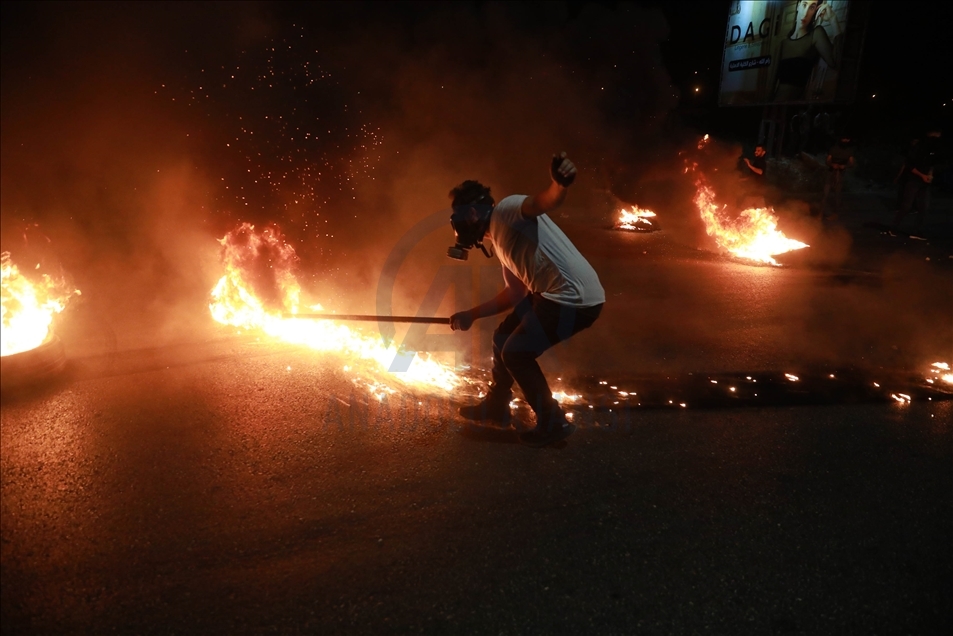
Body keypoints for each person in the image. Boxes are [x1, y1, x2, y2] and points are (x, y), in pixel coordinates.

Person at [446, 153, 605, 448]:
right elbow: (516, 294)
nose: (458, 223)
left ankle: (553, 422)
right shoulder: (501, 243)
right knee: (503, 336)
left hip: (572, 299)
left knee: (516, 353)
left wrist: (559, 184)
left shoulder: (507, 211)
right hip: (553, 294)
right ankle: (497, 405)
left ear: (472, 213)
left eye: (460, 213)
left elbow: (542, 202)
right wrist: (471, 314)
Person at [772, 0, 842, 103]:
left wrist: (833, 19)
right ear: (798, 5)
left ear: (816, 11)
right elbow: (771, 85)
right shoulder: (783, 44)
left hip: (795, 109)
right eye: (804, 5)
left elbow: (836, 62)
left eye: (812, 7)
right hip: (775, 107)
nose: (805, 13)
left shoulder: (815, 35)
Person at [894, 126, 943, 231]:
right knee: (906, 206)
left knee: (924, 208)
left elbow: (932, 164)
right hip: (913, 180)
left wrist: (930, 174)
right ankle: (893, 228)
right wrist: (922, 175)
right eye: (935, 136)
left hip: (924, 183)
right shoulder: (919, 147)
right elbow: (909, 166)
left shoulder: (933, 150)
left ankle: (916, 231)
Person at [820, 134, 854, 220]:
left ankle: (836, 213)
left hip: (840, 174)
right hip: (831, 172)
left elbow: (851, 163)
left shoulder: (849, 150)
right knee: (825, 193)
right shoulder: (834, 149)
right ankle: (820, 213)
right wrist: (832, 164)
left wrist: (845, 166)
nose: (846, 141)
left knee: (837, 194)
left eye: (847, 139)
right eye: (844, 139)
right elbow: (827, 160)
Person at [738, 144, 767, 209]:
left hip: (755, 192)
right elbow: (753, 176)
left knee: (742, 210)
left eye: (758, 150)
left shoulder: (762, 162)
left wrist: (749, 165)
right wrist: (742, 179)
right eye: (756, 150)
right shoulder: (757, 161)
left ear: (763, 152)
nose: (756, 152)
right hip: (758, 193)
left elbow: (760, 172)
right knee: (762, 212)